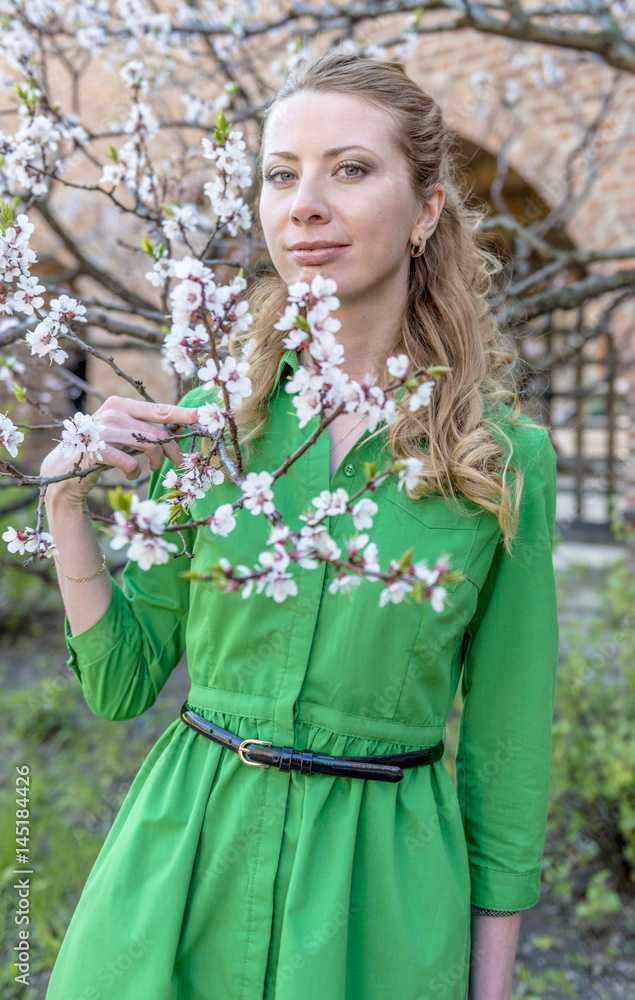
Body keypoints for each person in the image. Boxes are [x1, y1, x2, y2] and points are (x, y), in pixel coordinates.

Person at [42, 52, 558, 1000]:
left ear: (426, 210)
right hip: (182, 874)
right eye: (281, 175)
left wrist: (488, 988)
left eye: (349, 169)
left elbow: (506, 751)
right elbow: (121, 685)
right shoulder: (215, 423)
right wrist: (65, 504)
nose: (305, 205)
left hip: (377, 905)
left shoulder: (498, 460)